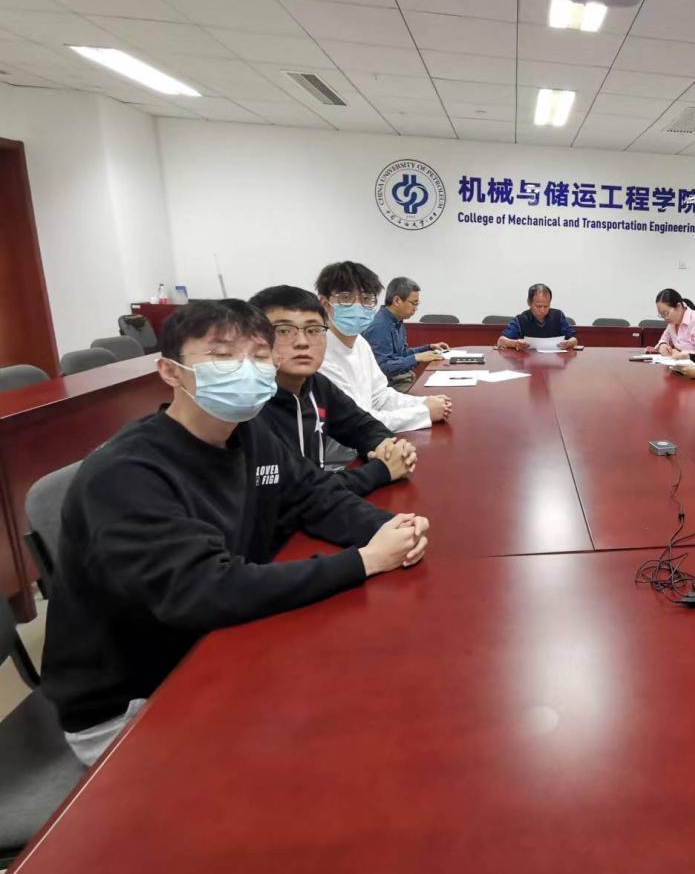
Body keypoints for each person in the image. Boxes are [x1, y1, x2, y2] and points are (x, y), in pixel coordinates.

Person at [40, 300, 430, 766]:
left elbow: (316, 496)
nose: (246, 369)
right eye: (223, 356)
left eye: (259, 356)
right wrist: (364, 561)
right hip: (136, 701)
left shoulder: (248, 434)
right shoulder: (127, 472)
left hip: (218, 644)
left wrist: (389, 528)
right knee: (333, 750)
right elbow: (205, 590)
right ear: (170, 372)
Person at [250, 285, 416, 496]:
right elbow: (295, 492)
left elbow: (360, 424)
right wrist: (381, 471)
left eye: (313, 330)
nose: (302, 342)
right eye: (284, 331)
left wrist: (386, 446)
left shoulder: (315, 384)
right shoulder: (249, 404)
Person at [315, 261, 452, 433]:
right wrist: (423, 412)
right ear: (325, 303)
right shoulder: (319, 354)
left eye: (366, 299)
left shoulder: (360, 343)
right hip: (347, 447)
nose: (357, 306)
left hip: (372, 439)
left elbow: (380, 397)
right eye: (346, 298)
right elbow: (356, 422)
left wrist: (423, 402)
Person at [364, 276, 450, 393]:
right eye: (414, 303)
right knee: (434, 394)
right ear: (397, 301)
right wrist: (416, 358)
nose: (416, 308)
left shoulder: (397, 321)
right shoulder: (379, 326)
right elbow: (382, 368)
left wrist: (428, 348)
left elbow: (401, 354)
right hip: (387, 387)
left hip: (399, 380)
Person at [497, 283, 578, 351]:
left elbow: (574, 340)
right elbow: (501, 341)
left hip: (554, 361)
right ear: (529, 302)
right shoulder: (521, 319)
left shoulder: (558, 316)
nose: (542, 310)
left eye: (546, 306)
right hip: (528, 361)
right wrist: (515, 343)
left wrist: (568, 343)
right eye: (538, 306)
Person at [646, 288, 695, 356]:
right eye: (661, 315)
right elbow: (664, 339)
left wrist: (681, 354)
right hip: (681, 362)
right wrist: (662, 345)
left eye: (666, 313)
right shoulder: (672, 323)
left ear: (678, 306)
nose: (665, 319)